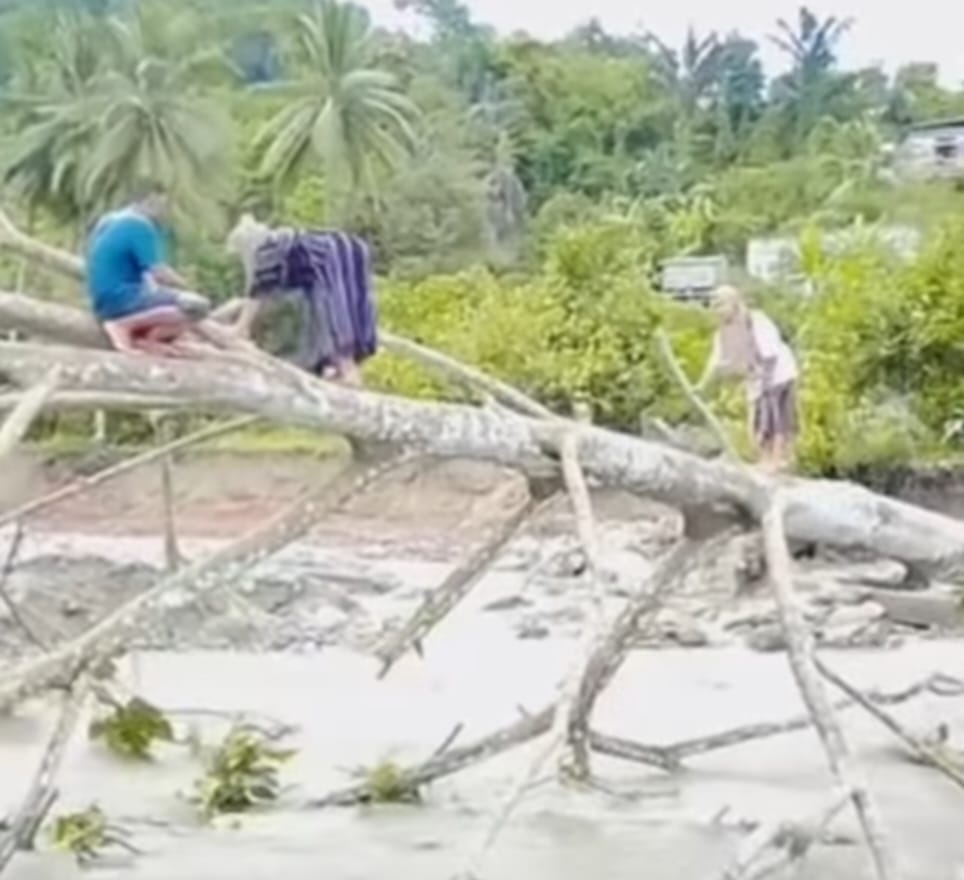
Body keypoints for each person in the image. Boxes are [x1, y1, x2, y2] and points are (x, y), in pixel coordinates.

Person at [225, 214, 377, 386]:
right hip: (351, 252)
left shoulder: (267, 248)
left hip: (332, 261)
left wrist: (239, 327)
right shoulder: (286, 241)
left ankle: (349, 378)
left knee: (337, 327)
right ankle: (346, 374)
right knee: (347, 317)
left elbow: (258, 290)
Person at [85, 180, 211, 356]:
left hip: (101, 302)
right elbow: (159, 272)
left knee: (173, 301)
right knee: (198, 306)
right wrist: (185, 284)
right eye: (164, 204)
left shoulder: (108, 221)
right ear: (150, 200)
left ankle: (149, 340)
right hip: (122, 300)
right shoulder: (140, 226)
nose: (165, 210)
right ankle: (123, 326)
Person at [696, 285, 800, 472]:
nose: (717, 310)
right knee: (757, 422)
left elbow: (770, 354)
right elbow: (716, 360)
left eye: (721, 305)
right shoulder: (723, 332)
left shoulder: (756, 320)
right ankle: (766, 458)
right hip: (757, 377)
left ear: (734, 303)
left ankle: (775, 461)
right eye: (715, 306)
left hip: (777, 373)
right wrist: (701, 385)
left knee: (775, 418)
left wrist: (764, 387)